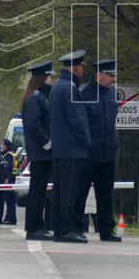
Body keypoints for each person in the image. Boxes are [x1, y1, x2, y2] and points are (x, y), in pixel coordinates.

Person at [50, 49, 92, 244]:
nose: (83, 70)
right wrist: (87, 142)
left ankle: (59, 228)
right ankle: (67, 230)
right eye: (82, 66)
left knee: (60, 191)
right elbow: (77, 120)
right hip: (73, 149)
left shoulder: (58, 86)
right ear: (76, 68)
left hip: (60, 149)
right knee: (69, 192)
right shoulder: (70, 88)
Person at [79, 58, 121, 242]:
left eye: (114, 75)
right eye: (110, 75)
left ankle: (106, 230)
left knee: (106, 195)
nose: (113, 79)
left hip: (108, 153)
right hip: (88, 154)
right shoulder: (83, 93)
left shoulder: (112, 94)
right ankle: (77, 228)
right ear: (99, 75)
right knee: (80, 193)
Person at [3, 139, 18, 225]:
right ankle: (11, 218)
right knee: (11, 200)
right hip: (13, 179)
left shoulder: (8, 155)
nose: (2, 146)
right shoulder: (14, 154)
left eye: (3, 145)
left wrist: (7, 179)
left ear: (6, 146)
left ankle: (10, 219)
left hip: (9, 180)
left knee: (9, 201)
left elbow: (8, 168)